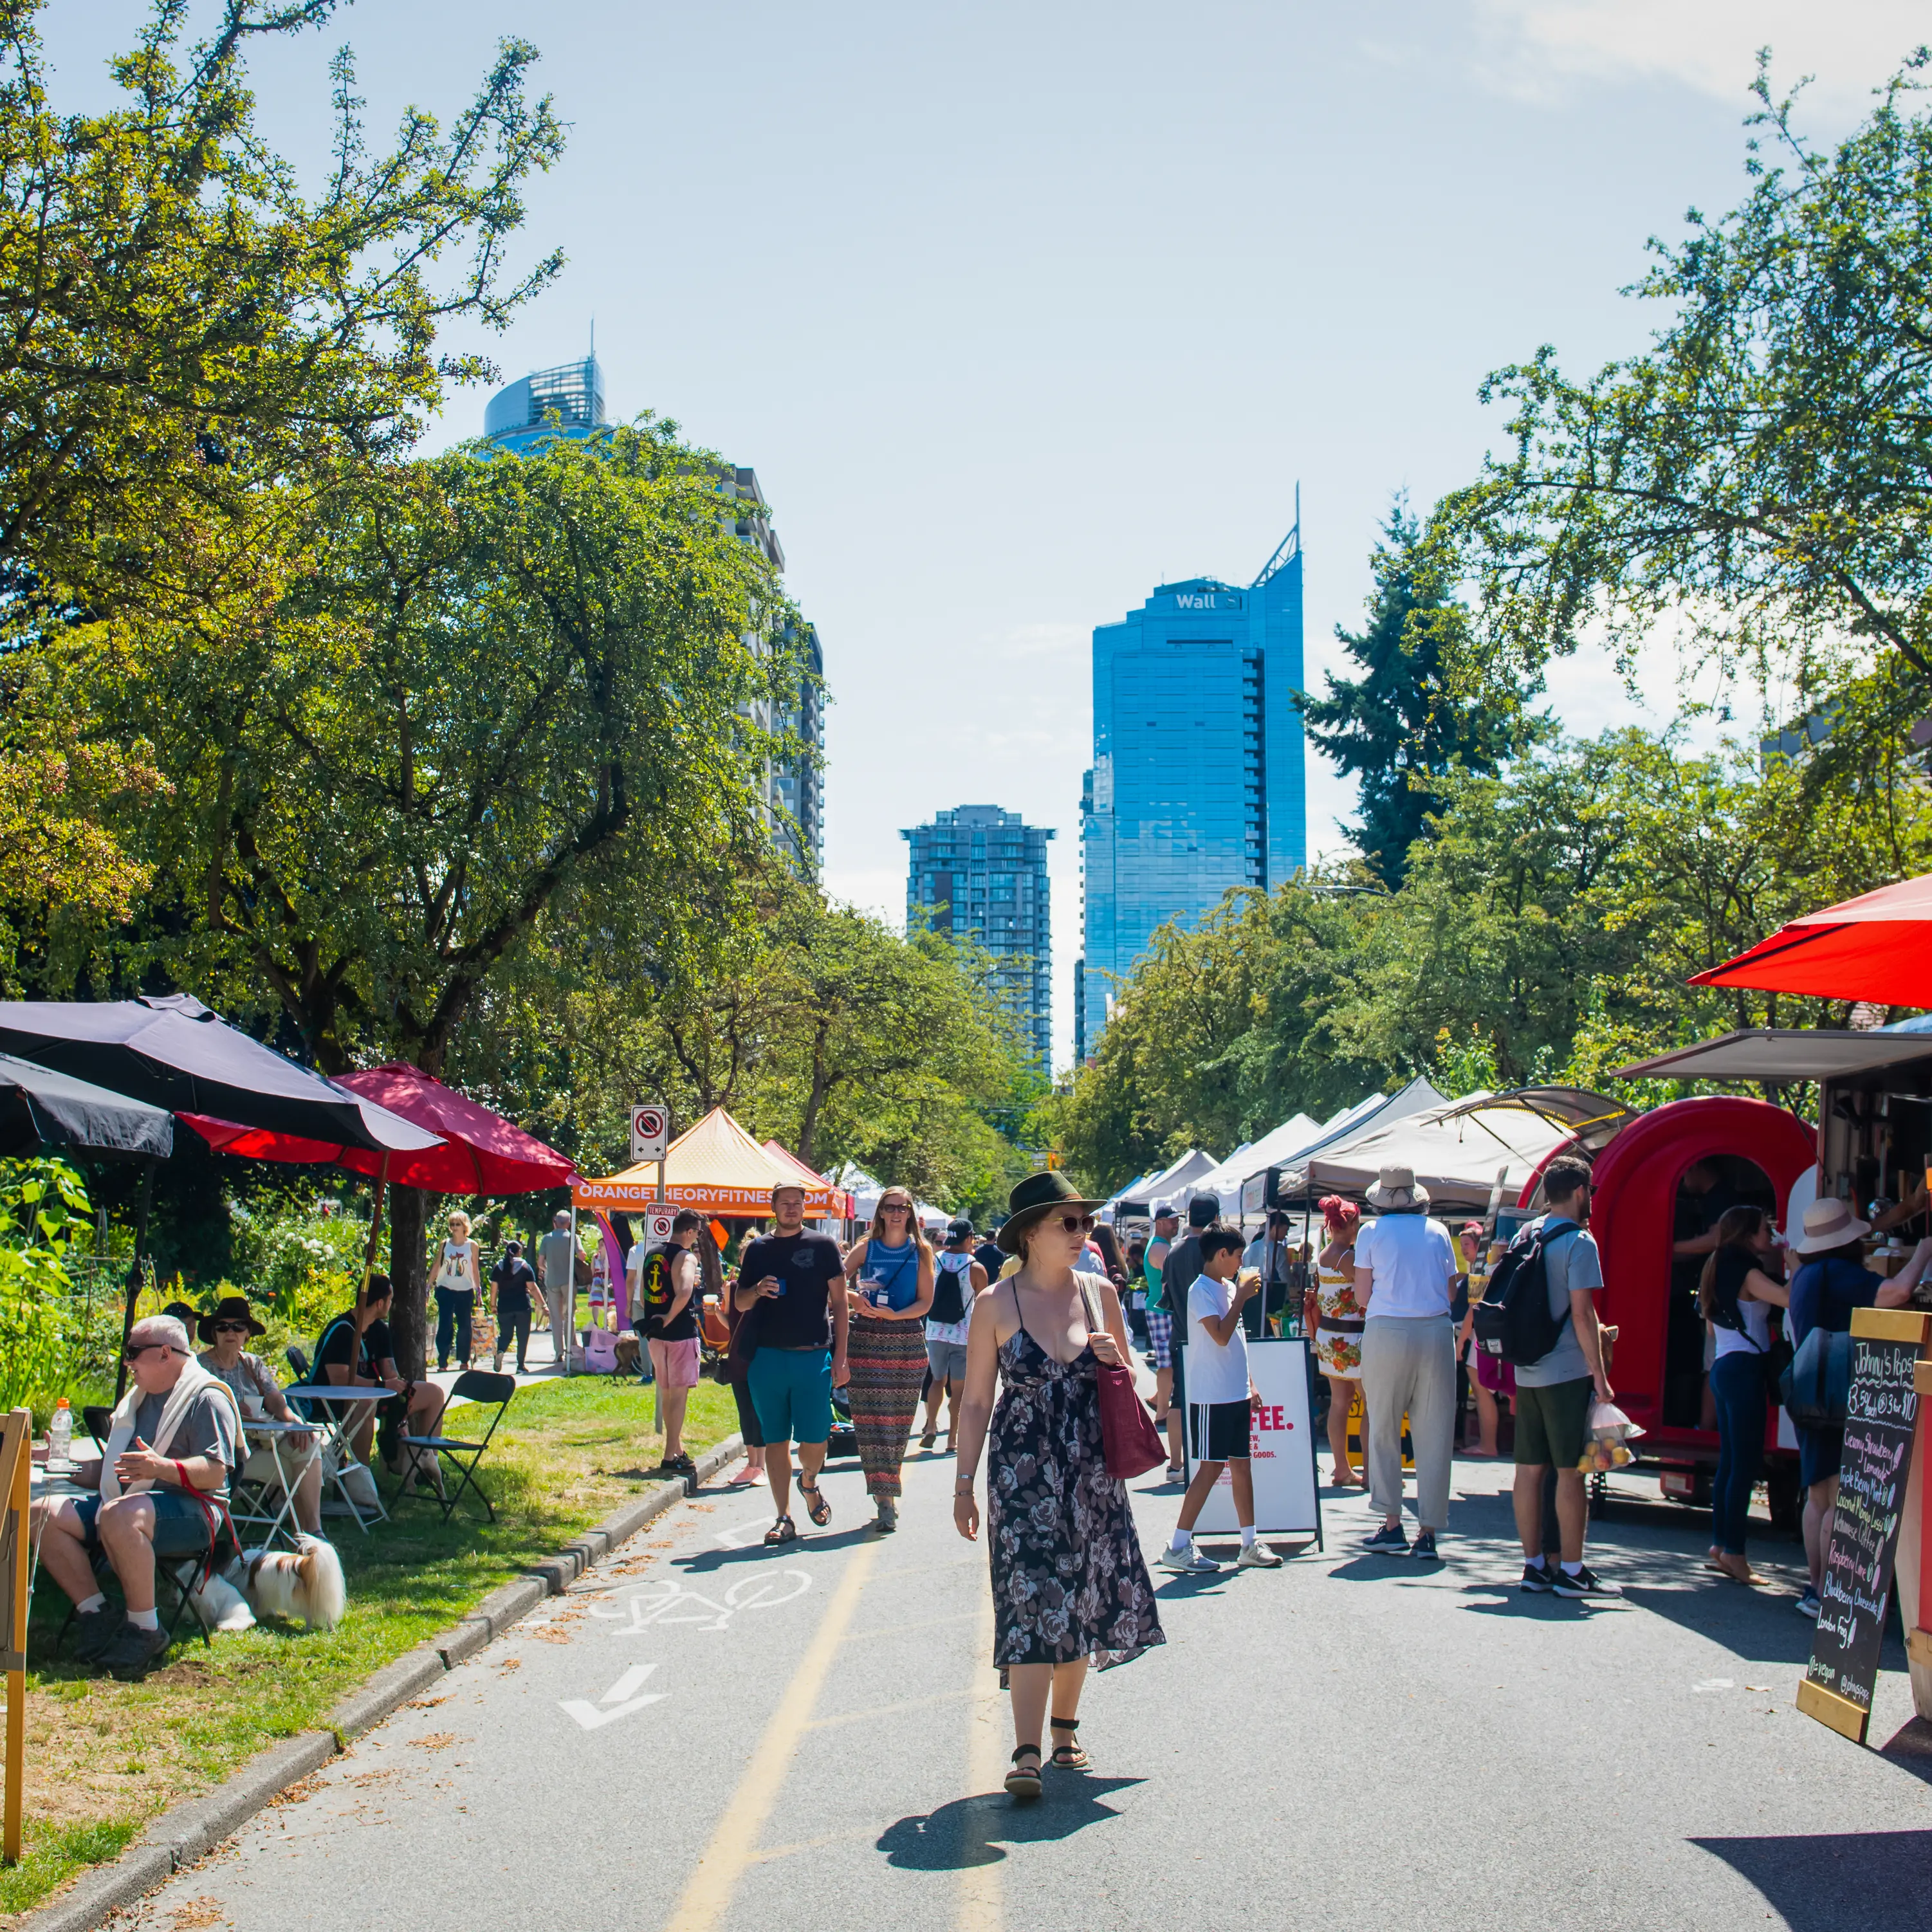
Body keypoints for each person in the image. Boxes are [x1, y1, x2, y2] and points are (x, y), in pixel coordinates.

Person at [953, 1172, 1164, 1799]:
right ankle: (1025, 1750)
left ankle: (1066, 1730)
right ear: (1030, 1233)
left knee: (1085, 1593)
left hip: (1092, 1474)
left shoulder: (1102, 1295)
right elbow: (974, 1404)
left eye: (1084, 1223)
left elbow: (1132, 1383)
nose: (1081, 1233)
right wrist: (963, 1485)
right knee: (1028, 1599)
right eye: (1067, 1223)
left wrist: (1113, 1360)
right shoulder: (995, 1303)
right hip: (1021, 1476)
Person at [30, 1316, 241, 1679]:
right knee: (40, 1512)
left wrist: (161, 1468)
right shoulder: (138, 1399)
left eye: (133, 1353)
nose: (126, 1362)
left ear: (164, 1354)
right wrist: (62, 1464)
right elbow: (114, 1470)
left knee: (120, 1515)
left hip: (194, 1511)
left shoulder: (207, 1397)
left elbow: (216, 1471)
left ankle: (145, 1628)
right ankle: (97, 1614)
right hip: (133, 1505)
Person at [1783, 1197, 1932, 1618]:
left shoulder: (1806, 1274)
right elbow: (1897, 1292)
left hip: (1806, 1388)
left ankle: (1814, 1587)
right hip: (1838, 1392)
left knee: (1817, 1495)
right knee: (1838, 1495)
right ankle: (1830, 1591)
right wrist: (1923, 1249)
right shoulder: (1839, 1273)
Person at [1507, 1159, 1618, 1596]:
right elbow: (1581, 1312)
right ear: (1577, 1190)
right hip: (1566, 1369)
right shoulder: (1579, 1241)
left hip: (1527, 1369)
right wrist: (1600, 1374)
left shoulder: (1525, 1233)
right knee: (1572, 1472)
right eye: (1588, 1188)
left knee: (1528, 1471)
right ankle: (1572, 1570)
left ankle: (1533, 1565)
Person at [1162, 1224, 1285, 1574]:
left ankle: (1249, 1542)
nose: (1241, 1263)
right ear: (1221, 1255)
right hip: (1211, 1395)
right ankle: (1179, 1544)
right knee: (1211, 1468)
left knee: (1242, 1465)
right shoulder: (1201, 1290)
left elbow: (1237, 1342)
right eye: (1238, 1256)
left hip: (1235, 1392)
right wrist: (1243, 1298)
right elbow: (1219, 1335)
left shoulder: (1230, 1287)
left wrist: (1251, 1384)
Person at [734, 1184, 849, 1545]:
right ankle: (783, 1517)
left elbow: (841, 1304)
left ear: (805, 1208)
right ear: (773, 1208)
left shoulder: (823, 1247)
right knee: (776, 1440)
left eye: (797, 1204)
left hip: (813, 1354)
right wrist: (755, 1292)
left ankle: (809, 1481)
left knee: (816, 1437)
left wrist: (842, 1358)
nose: (791, 1209)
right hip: (766, 1357)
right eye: (784, 1204)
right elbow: (739, 1302)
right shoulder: (758, 1249)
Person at [1356, 1165, 1459, 1561]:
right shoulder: (1438, 1231)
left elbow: (1363, 1296)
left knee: (1384, 1426)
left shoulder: (1371, 1233)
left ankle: (1391, 1522)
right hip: (1435, 1330)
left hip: (1388, 1329)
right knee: (1434, 1431)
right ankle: (1430, 1529)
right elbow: (1451, 1291)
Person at [1698, 1206, 1790, 1586]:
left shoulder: (1715, 1266)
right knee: (1744, 1465)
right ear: (1749, 1235)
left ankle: (1722, 1546)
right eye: (1765, 1230)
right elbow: (1788, 1299)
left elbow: (1709, 1329)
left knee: (1730, 1463)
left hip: (1723, 1364)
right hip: (1745, 1368)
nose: (1770, 1235)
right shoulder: (1749, 1272)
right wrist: (1796, 1260)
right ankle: (1734, 1553)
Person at [843, 1187, 936, 1531]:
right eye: (890, 1207)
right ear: (880, 1212)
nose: (897, 1213)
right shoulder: (866, 1248)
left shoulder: (921, 1251)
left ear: (910, 1214)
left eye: (903, 1207)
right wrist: (854, 1298)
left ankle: (888, 1488)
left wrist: (895, 1317)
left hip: (907, 1343)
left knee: (897, 1424)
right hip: (866, 1341)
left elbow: (926, 1301)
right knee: (870, 1423)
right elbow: (834, 1281)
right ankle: (885, 1499)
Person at [196, 1297, 324, 1536]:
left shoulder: (252, 1363)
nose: (230, 1332)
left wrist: (293, 1420)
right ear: (214, 1334)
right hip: (231, 1454)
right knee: (300, 1471)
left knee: (307, 1444)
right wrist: (233, 1409)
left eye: (238, 1327)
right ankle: (306, 1537)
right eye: (223, 1327)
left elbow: (273, 1397)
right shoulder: (200, 1367)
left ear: (247, 1334)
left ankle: (314, 1531)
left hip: (265, 1440)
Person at [315, 1275, 446, 1493]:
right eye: (390, 1300)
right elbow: (338, 1379)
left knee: (433, 1393)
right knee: (367, 1403)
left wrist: (401, 1405)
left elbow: (390, 1374)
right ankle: (361, 1479)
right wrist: (382, 1386)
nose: (391, 1305)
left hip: (376, 1395)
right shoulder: (343, 1330)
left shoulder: (379, 1330)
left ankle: (426, 1463)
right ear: (380, 1303)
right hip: (334, 1400)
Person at [1160, 1195, 1221, 1482]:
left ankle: (1176, 1464)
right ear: (1216, 1217)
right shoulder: (1213, 1251)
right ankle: (1207, 1462)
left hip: (1180, 1334)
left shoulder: (1173, 1251)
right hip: (1211, 1336)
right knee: (1214, 1399)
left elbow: (1166, 1295)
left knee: (1178, 1400)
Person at [1308, 1195, 1368, 1487]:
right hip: (1353, 1336)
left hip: (1330, 1335)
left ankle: (1342, 1469)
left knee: (1340, 1403)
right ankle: (1371, 1472)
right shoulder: (1347, 1256)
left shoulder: (1325, 1254)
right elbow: (1368, 1288)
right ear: (1352, 1224)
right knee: (1371, 1403)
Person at [639, 1210, 704, 1475]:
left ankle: (677, 1448)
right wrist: (667, 1318)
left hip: (654, 1334)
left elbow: (643, 1296)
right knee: (679, 1395)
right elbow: (686, 1291)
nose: (698, 1238)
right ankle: (670, 1456)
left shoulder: (651, 1253)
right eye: (698, 1233)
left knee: (667, 1392)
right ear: (689, 1232)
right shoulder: (686, 1257)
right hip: (679, 1332)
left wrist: (657, 1319)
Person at [921, 1219, 985, 1452]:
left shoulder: (935, 1261)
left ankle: (930, 1427)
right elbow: (983, 1305)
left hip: (936, 1330)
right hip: (963, 1334)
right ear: (969, 1238)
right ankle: (952, 1439)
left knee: (937, 1380)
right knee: (958, 1389)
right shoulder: (975, 1267)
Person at [1455, 1222, 1512, 1456]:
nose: (1464, 1249)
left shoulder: (1483, 1271)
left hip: (1482, 1336)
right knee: (1483, 1391)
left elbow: (1473, 1310)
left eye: (1467, 1245)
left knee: (1482, 1391)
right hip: (1487, 1335)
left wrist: (1460, 1344)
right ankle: (1487, 1443)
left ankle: (1488, 1444)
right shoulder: (1489, 1269)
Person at [1142, 1204, 1181, 1478]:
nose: (1176, 1225)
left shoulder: (1160, 1244)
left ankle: (1160, 1401)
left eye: (1177, 1221)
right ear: (1159, 1223)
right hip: (1160, 1310)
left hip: (1162, 1310)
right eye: (1171, 1221)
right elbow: (1174, 1273)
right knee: (1167, 1364)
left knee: (1168, 1362)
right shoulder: (1159, 1247)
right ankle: (1162, 1412)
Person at [432, 1209, 483, 1373]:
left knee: (464, 1326)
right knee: (445, 1325)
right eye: (452, 1224)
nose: (454, 1227)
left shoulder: (472, 1245)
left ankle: (463, 1360)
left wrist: (478, 1290)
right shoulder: (445, 1244)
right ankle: (442, 1361)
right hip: (445, 1288)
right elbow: (436, 1265)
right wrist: (428, 1285)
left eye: (457, 1224)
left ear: (464, 1226)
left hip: (465, 1289)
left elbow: (475, 1269)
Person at [1242, 1210, 1294, 1339]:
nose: (1286, 1234)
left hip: (1249, 1299)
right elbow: (1285, 1277)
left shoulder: (1250, 1248)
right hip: (1271, 1299)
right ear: (1275, 1228)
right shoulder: (1278, 1250)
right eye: (1285, 1229)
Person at [490, 1238, 538, 1374]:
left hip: (504, 1307)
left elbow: (494, 1289)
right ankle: (520, 1365)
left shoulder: (498, 1267)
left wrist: (493, 1305)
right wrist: (543, 1304)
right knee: (523, 1336)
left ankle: (501, 1351)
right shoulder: (525, 1267)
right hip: (522, 1306)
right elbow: (532, 1288)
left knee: (506, 1334)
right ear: (520, 1252)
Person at [538, 1211, 579, 1357]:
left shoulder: (547, 1238)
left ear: (555, 1221)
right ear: (568, 1223)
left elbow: (540, 1263)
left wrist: (548, 1270)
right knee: (569, 1315)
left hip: (552, 1281)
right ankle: (571, 1348)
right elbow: (581, 1255)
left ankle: (558, 1352)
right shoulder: (572, 1237)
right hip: (568, 1280)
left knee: (556, 1318)